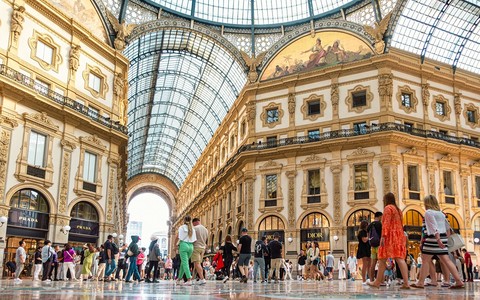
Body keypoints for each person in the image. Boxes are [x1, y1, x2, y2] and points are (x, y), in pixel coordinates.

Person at [410, 195, 464, 289]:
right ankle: (459, 281)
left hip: (433, 239)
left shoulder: (428, 213)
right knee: (446, 260)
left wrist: (438, 239)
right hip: (443, 237)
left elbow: (433, 227)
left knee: (425, 260)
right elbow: (446, 228)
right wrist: (443, 240)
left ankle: (420, 283)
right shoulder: (441, 214)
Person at [368, 193, 410, 289]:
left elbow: (386, 223)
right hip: (399, 235)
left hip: (390, 236)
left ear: (386, 200)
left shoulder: (388, 208)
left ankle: (377, 282)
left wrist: (383, 236)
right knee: (399, 258)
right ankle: (406, 282)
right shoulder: (398, 210)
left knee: (383, 258)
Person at [176, 215, 197, 286]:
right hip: (191, 246)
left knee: (185, 263)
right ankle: (179, 279)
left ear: (184, 220)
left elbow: (179, 237)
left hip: (183, 245)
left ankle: (189, 279)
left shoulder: (181, 227)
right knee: (183, 263)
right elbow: (194, 240)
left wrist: (175, 245)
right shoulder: (192, 229)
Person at [192, 217, 209, 285]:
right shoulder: (206, 229)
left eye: (193, 224)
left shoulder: (195, 228)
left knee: (197, 264)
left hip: (196, 247)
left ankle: (202, 279)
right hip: (203, 248)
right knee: (196, 264)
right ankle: (193, 278)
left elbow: (192, 239)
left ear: (195, 222)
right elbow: (207, 240)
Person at [367, 212, 383, 282]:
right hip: (379, 246)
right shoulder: (379, 224)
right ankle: (381, 280)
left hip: (372, 246)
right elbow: (382, 235)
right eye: (381, 217)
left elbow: (368, 236)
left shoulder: (370, 225)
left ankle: (371, 279)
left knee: (373, 263)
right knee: (381, 263)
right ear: (379, 216)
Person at [356, 220, 371, 284]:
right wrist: (369, 237)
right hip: (363, 248)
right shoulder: (362, 232)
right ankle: (364, 280)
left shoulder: (366, 231)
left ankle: (371, 279)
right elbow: (364, 240)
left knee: (369, 265)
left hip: (367, 248)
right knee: (365, 264)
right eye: (367, 225)